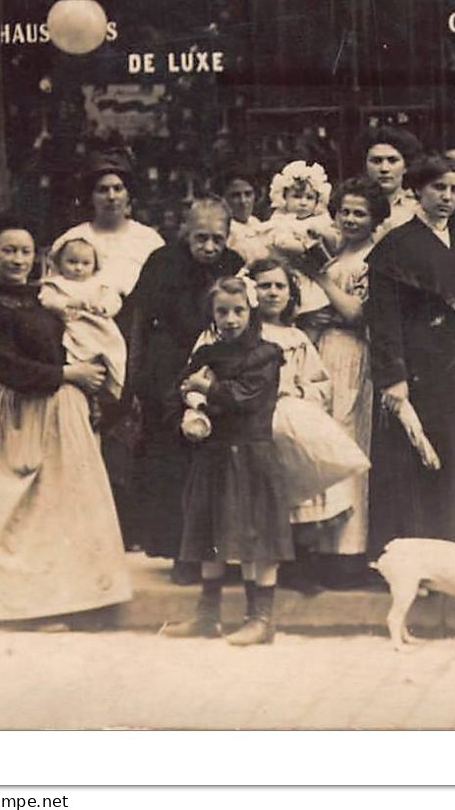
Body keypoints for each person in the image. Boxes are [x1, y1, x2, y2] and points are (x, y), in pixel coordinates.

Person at [0, 214, 130, 625]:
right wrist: (66, 375)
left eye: (24, 251)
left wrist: (87, 379)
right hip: (29, 410)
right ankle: (31, 607)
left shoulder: (46, 297)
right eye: (8, 251)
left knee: (74, 504)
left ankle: (84, 602)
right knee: (33, 507)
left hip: (68, 409)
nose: (18, 260)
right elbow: (4, 366)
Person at [365, 154, 455, 547]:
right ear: (417, 189)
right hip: (418, 369)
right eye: (438, 188)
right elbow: (383, 320)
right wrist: (394, 379)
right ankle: (416, 557)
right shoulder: (395, 245)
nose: (447, 197)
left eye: (454, 189)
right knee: (419, 461)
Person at [160, 276, 290, 645]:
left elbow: (246, 396)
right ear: (211, 314)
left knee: (256, 535)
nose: (231, 319)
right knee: (207, 532)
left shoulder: (265, 355)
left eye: (239, 311)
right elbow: (178, 390)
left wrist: (206, 389)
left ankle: (261, 618)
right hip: (214, 453)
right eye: (222, 311)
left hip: (251, 453)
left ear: (252, 311)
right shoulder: (205, 356)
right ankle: (208, 615)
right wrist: (185, 414)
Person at [124, 196, 244, 579]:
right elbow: (140, 320)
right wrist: (137, 379)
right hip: (168, 369)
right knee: (171, 462)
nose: (210, 247)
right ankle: (180, 553)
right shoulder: (162, 263)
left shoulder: (234, 265)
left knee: (212, 463)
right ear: (186, 233)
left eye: (218, 239)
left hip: (216, 369)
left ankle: (213, 553)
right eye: (201, 238)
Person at [245, 258, 362, 594]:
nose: (272, 293)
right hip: (254, 418)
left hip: (292, 415)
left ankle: (302, 562)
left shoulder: (296, 336)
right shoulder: (245, 333)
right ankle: (260, 566)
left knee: (313, 479)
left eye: (280, 286)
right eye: (264, 285)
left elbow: (321, 383)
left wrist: (297, 392)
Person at [304, 177, 386, 587]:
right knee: (321, 446)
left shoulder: (373, 258)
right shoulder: (337, 254)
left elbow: (357, 314)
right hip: (321, 352)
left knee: (347, 441)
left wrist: (320, 283)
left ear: (375, 219)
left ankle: (348, 551)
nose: (351, 219)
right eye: (345, 212)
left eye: (360, 213)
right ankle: (319, 546)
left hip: (352, 353)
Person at [53, 151, 165, 302]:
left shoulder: (149, 239)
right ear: (90, 197)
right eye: (102, 190)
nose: (111, 197)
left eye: (118, 189)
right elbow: (54, 288)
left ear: (128, 195)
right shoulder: (72, 239)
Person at [38, 236, 128, 409]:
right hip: (73, 327)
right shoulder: (56, 283)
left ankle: (103, 395)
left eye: (85, 263)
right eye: (72, 262)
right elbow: (46, 300)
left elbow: (114, 300)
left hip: (101, 329)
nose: (78, 268)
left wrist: (104, 308)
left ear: (95, 265)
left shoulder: (99, 284)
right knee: (78, 357)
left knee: (111, 354)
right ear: (59, 262)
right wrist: (69, 304)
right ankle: (88, 396)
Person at [257, 160, 339, 318]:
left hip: (314, 275)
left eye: (309, 198)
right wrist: (305, 246)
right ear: (284, 198)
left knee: (314, 308)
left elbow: (335, 242)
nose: (303, 203)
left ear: (317, 201)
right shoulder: (281, 220)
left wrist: (322, 233)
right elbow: (280, 242)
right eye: (297, 196)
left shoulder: (319, 220)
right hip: (290, 271)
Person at [360, 125, 425, 240]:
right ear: (365, 166)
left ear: (406, 166)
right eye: (376, 161)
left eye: (392, 160)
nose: (384, 168)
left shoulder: (418, 209)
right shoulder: (353, 208)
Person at [220, 166, 269, 264]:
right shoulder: (225, 228)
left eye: (248, 194)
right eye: (235, 195)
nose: (243, 201)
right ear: (224, 199)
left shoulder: (255, 223)